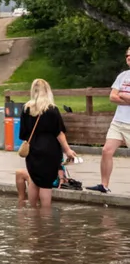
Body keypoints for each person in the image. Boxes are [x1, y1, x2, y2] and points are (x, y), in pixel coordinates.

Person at [17, 79, 79, 209]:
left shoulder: (26, 108)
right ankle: (46, 217)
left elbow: (22, 134)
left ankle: (33, 213)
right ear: (47, 91)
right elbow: (59, 132)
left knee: (33, 181)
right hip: (50, 149)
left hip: (33, 149)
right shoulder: (52, 109)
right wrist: (67, 150)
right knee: (46, 184)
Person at [99, 45, 130, 194]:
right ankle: (104, 185)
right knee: (106, 150)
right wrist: (125, 97)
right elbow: (112, 96)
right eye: (127, 56)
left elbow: (119, 96)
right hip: (118, 121)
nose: (129, 58)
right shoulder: (123, 75)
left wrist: (122, 95)